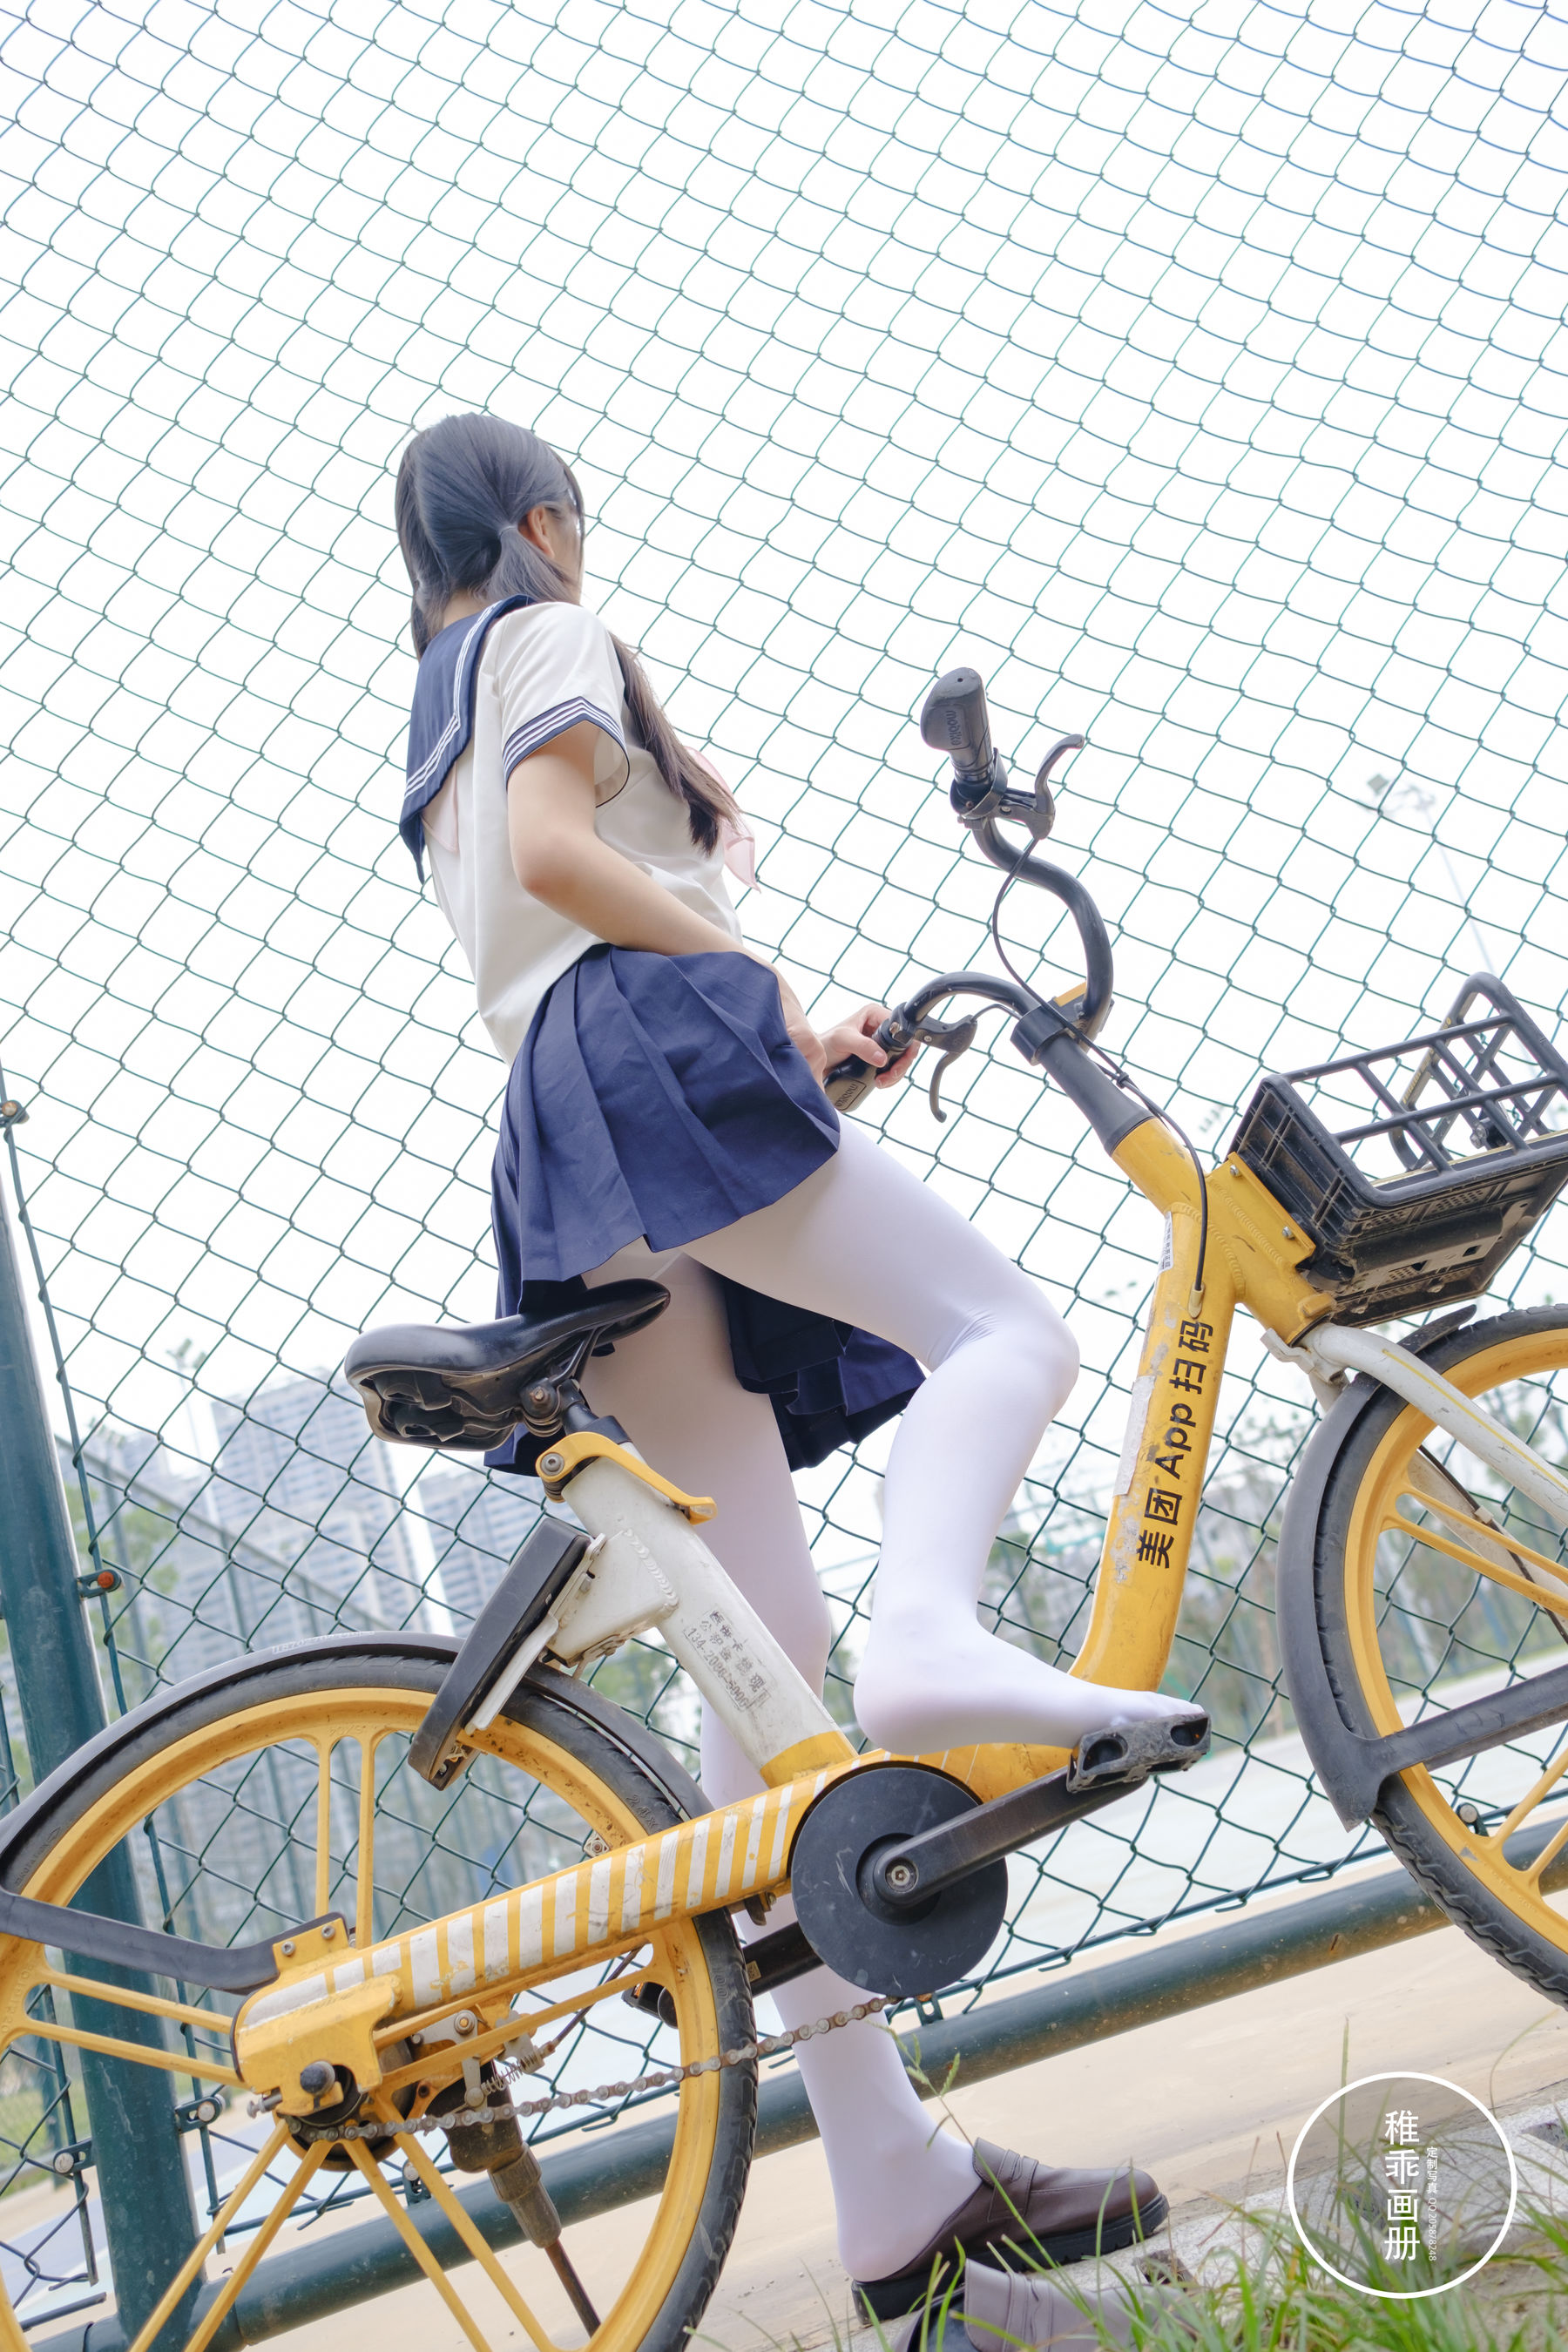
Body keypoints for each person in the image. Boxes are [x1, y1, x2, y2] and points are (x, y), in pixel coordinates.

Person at [393, 413, 1200, 2319]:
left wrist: (790, 1047)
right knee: (1009, 1333)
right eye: (576, 519)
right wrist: (750, 990)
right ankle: (938, 1642)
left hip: (576, 1122)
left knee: (765, 1669)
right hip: (650, 1056)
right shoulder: (546, 635)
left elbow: (535, 911)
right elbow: (567, 857)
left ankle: (893, 2184)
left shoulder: (437, 710)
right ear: (543, 520)